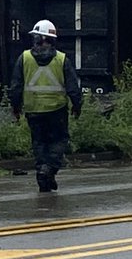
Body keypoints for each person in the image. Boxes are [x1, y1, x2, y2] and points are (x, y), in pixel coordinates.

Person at [8, 19, 83, 193]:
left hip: (33, 110)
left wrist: (15, 107)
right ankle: (48, 170)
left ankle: (44, 175)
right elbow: (73, 86)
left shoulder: (24, 58)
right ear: (52, 39)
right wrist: (77, 105)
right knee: (59, 141)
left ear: (37, 38)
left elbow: (16, 86)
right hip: (57, 110)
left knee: (39, 144)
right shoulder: (62, 59)